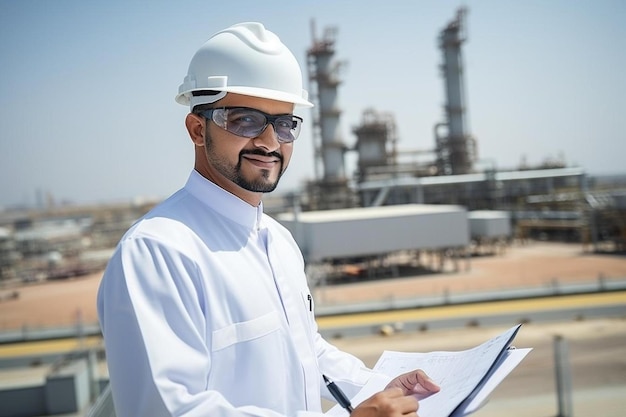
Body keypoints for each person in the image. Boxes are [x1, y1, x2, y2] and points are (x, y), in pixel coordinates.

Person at [97, 22, 440, 417]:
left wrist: (380, 389)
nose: (269, 142)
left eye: (284, 124)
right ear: (196, 128)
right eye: (245, 120)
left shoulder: (278, 241)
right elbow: (168, 410)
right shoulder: (158, 252)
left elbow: (306, 350)